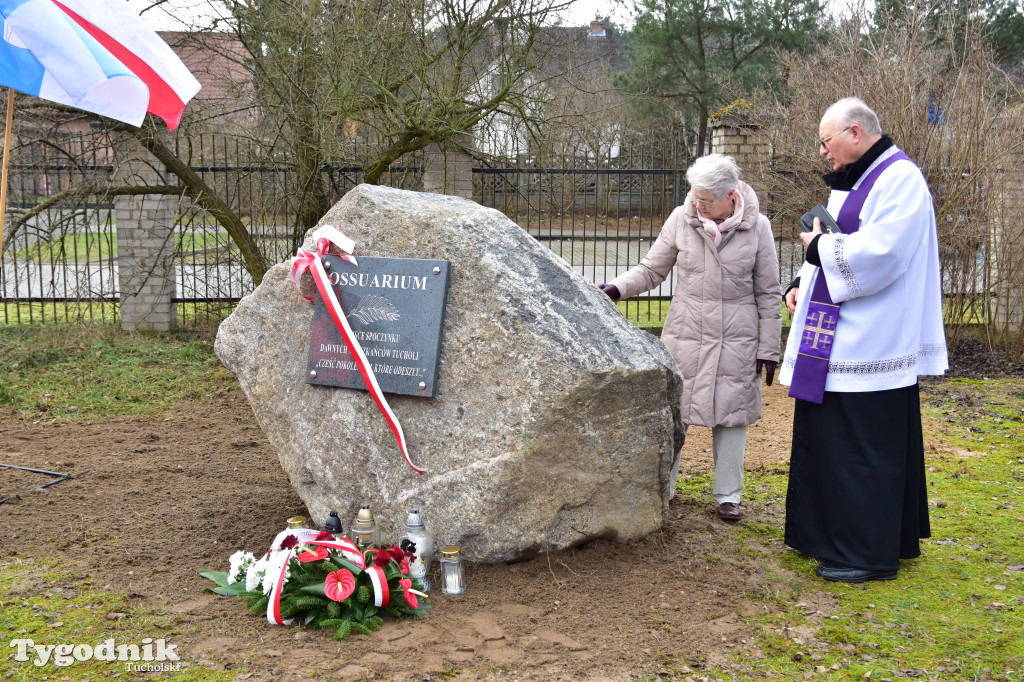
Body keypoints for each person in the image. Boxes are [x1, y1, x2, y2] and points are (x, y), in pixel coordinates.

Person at [779, 97, 948, 583]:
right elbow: (836, 238)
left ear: (855, 132)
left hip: (871, 339)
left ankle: (866, 553)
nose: (823, 153)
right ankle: (824, 535)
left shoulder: (900, 178)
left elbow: (881, 253)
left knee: (860, 449)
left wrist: (819, 249)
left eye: (825, 141)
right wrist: (799, 281)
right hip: (838, 337)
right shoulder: (856, 177)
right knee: (827, 440)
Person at [600, 154, 781, 522]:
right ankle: (663, 488)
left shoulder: (758, 227)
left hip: (737, 338)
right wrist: (616, 289)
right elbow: (652, 269)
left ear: (730, 195)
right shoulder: (682, 218)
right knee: (674, 413)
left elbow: (768, 292)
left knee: (732, 416)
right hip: (686, 333)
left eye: (705, 200)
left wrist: (769, 348)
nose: (697, 205)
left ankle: (729, 495)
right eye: (695, 196)